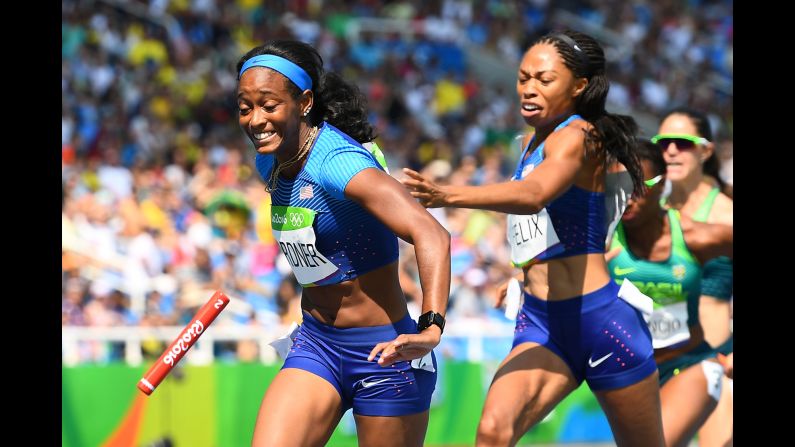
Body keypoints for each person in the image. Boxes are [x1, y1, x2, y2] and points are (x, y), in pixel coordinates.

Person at [404, 30, 664, 446]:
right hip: (542, 323)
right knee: (492, 431)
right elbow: (543, 228)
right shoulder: (532, 142)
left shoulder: (580, 135)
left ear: (579, 86)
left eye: (544, 80)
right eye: (524, 77)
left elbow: (534, 195)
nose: (528, 88)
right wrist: (518, 277)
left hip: (600, 323)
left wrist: (447, 193)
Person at [236, 39, 451, 447]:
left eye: (268, 105)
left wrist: (431, 327)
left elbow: (432, 233)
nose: (255, 119)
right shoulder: (270, 160)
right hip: (317, 345)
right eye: (245, 107)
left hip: (386, 353)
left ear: (304, 102)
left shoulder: (338, 162)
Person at [607, 140, 733, 446]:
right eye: (617, 185)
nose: (627, 196)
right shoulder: (601, 241)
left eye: (638, 185)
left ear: (662, 184)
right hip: (628, 376)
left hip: (691, 362)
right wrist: (521, 278)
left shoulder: (697, 237)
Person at [653, 108, 734, 446]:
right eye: (663, 143)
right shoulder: (644, 209)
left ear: (706, 151)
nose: (671, 150)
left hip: (715, 359)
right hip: (652, 362)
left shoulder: (726, 212)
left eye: (683, 143)